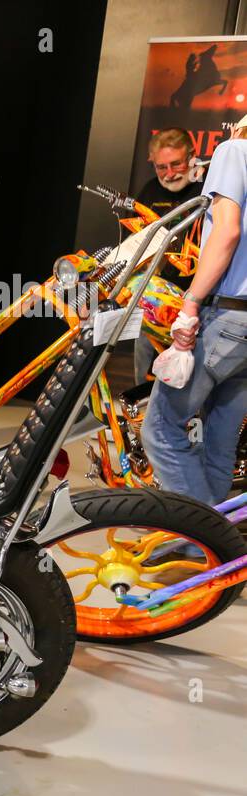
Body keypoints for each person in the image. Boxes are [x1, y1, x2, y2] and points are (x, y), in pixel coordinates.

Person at [141, 116, 247, 505]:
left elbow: (227, 231)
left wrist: (190, 303)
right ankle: (215, 552)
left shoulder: (234, 151)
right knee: (218, 444)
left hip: (228, 316)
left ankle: (204, 540)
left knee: (161, 429)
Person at [134, 128, 203, 381]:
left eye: (176, 164)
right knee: (145, 371)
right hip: (154, 300)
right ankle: (141, 418)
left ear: (192, 157)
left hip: (197, 301)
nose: (170, 173)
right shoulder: (148, 193)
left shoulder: (209, 190)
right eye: (162, 167)